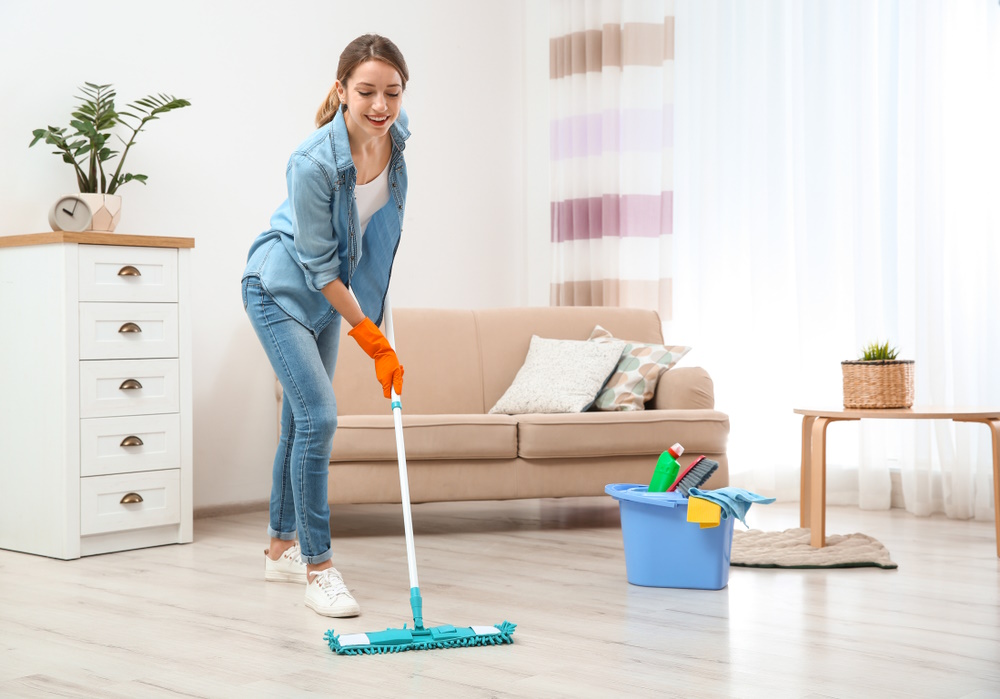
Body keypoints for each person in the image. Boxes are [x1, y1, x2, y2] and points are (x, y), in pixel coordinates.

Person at [241, 34, 410, 618]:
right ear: (341, 91)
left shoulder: (396, 134)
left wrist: (378, 310)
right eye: (365, 91)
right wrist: (370, 335)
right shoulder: (312, 162)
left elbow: (373, 232)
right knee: (320, 417)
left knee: (297, 422)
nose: (380, 105)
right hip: (280, 290)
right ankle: (319, 567)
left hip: (326, 297)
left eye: (392, 91)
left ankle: (279, 548)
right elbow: (316, 268)